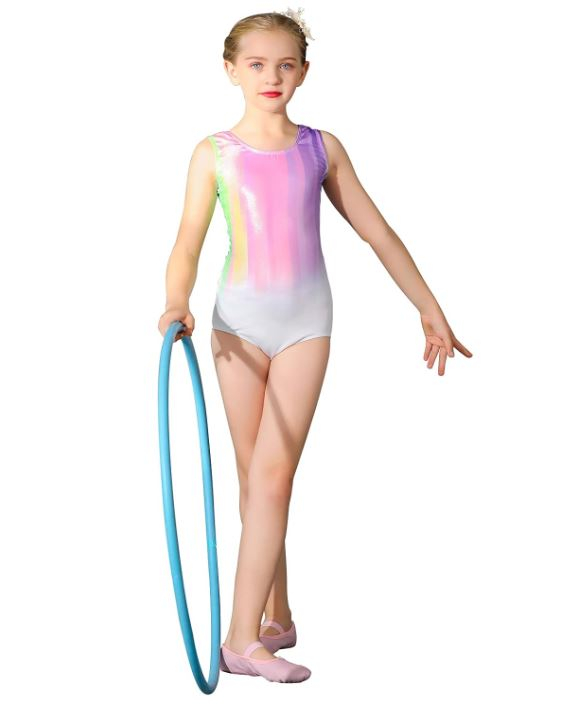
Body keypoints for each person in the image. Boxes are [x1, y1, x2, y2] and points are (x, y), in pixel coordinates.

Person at [158, 8, 473, 684]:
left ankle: (241, 641)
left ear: (304, 71)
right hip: (236, 328)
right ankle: (277, 614)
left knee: (273, 477)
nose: (271, 76)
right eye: (256, 64)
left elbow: (377, 231)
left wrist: (429, 308)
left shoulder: (319, 148)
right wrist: (176, 301)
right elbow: (187, 242)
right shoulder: (214, 152)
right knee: (253, 479)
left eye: (285, 64)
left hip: (306, 324)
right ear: (230, 70)